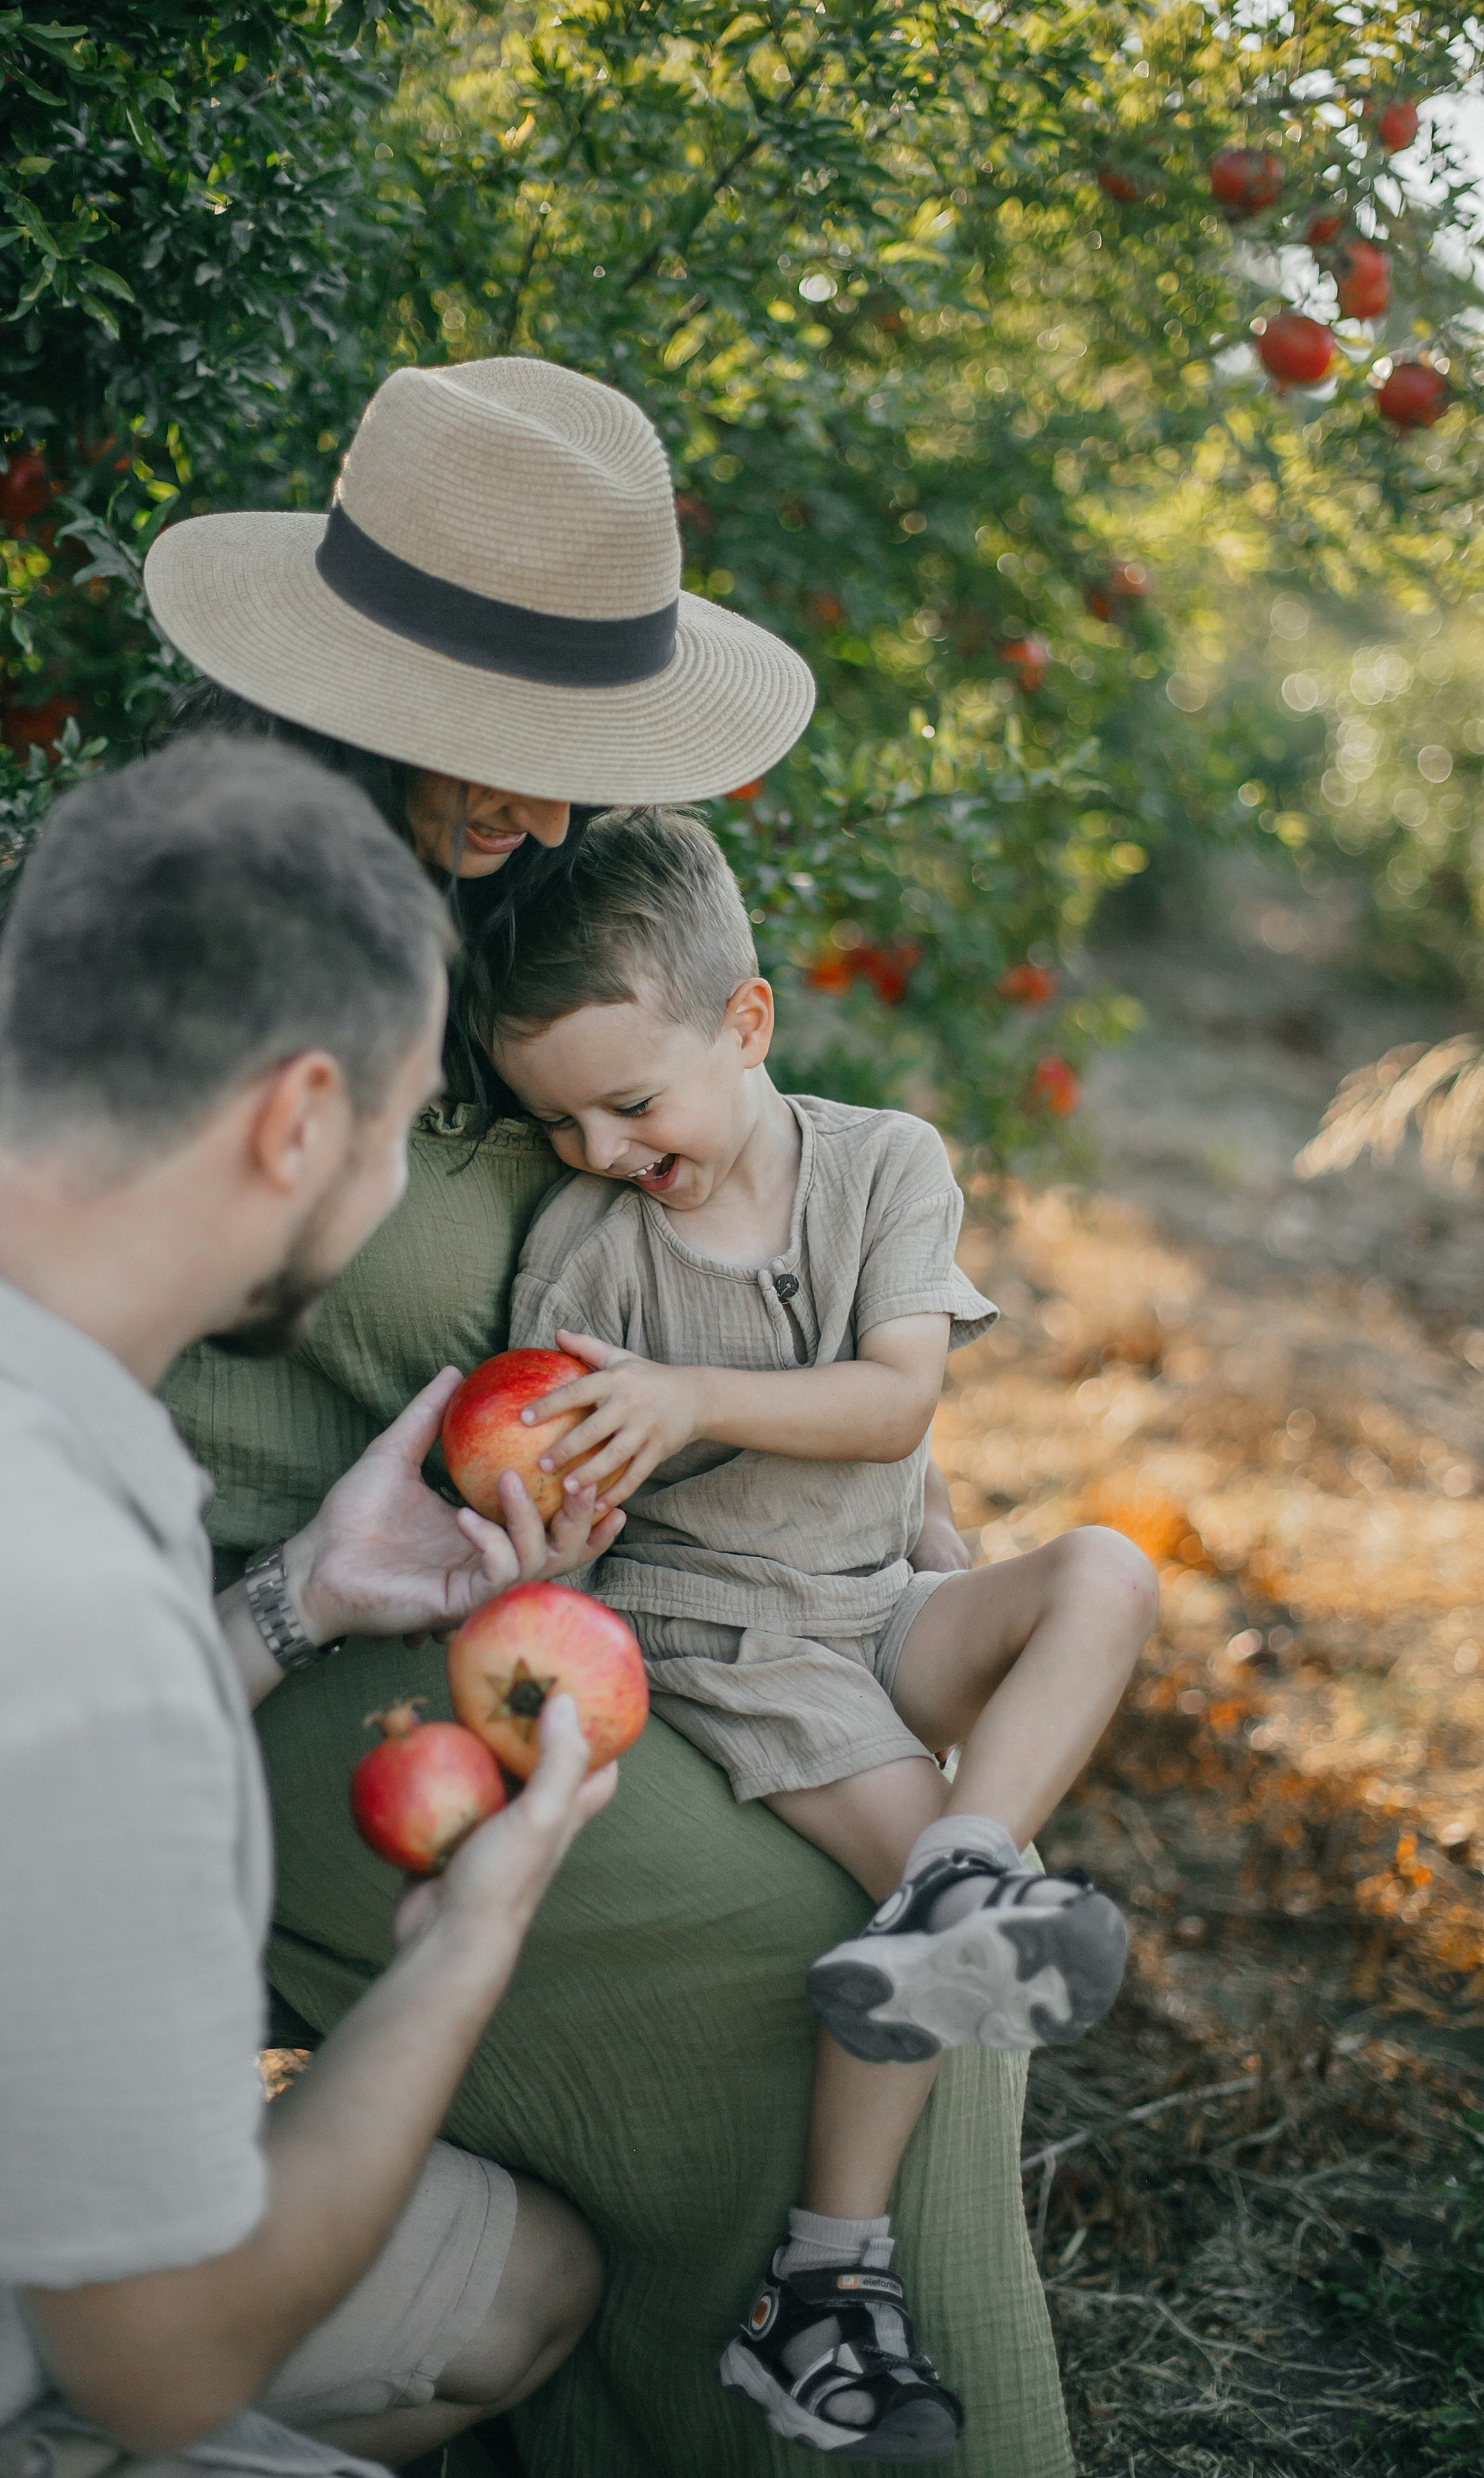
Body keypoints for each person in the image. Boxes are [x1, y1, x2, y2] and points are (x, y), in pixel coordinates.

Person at [0, 356, 1079, 2475]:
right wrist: (278, 1603)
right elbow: (0, 1257)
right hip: (255, 1588)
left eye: (580, 754)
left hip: (528, 1553)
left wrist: (880, 1485)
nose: (549, 802)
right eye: (499, 752)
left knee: (898, 1925)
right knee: (792, 1950)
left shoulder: (554, 901)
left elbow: (719, 1220)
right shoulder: (197, 886)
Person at [0, 736, 627, 2478]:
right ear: (296, 1124)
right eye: (395, 1127)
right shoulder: (68, 1626)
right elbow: (166, 2362)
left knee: (520, 2280)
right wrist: (471, 1943)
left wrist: (295, 1596)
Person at [481, 809, 1159, 2460]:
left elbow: (894, 1398)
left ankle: (969, 1865)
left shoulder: (884, 1164)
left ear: (747, 1022)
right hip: (724, 1639)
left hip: (872, 1601)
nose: (597, 1149)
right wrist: (556, 1524)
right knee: (920, 1918)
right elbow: (558, 1515)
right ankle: (824, 2285)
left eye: (629, 1104)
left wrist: (710, 1403)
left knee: (1105, 1574)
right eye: (556, 1120)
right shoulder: (584, 1250)